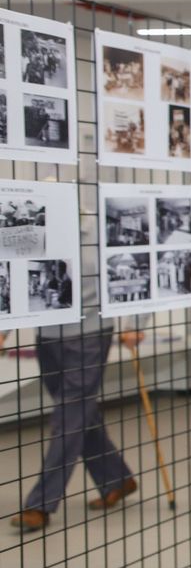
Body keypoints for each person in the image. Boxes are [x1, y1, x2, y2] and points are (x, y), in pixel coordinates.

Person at [9, 219, 142, 533]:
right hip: (46, 332)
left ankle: (41, 503)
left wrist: (136, 321)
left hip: (90, 333)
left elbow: (132, 270)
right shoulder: (34, 227)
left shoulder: (96, 227)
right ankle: (116, 478)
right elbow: (14, 272)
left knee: (67, 415)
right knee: (77, 410)